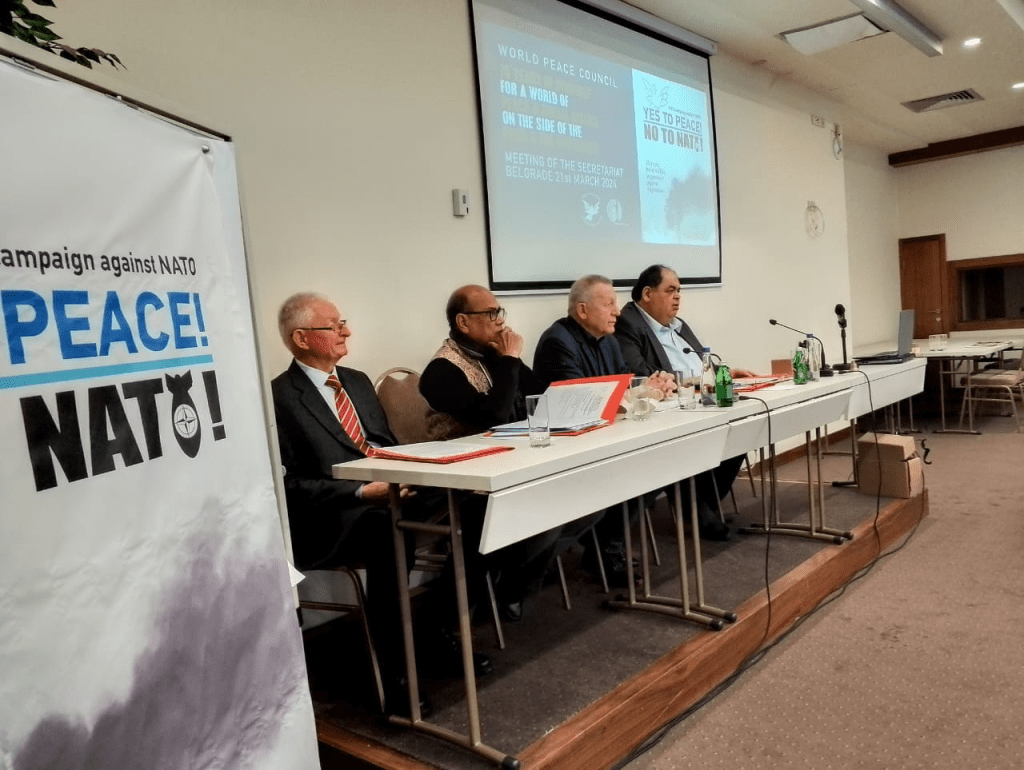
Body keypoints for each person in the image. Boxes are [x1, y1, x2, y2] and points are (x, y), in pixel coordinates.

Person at [270, 291, 490, 717]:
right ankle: (394, 675)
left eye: (343, 323)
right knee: (388, 531)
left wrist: (412, 473)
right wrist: (360, 491)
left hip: (390, 493)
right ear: (301, 338)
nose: (346, 331)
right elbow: (289, 485)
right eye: (334, 326)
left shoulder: (355, 381)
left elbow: (383, 446)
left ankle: (434, 628)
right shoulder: (280, 397)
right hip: (336, 516)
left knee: (475, 505)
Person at [419, 284, 559, 621]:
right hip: (463, 480)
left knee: (574, 500)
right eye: (491, 313)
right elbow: (492, 417)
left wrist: (510, 361)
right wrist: (509, 360)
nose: (500, 320)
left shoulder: (495, 357)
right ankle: (468, 603)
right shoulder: (440, 371)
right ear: (463, 322)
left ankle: (509, 588)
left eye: (500, 312)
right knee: (538, 510)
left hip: (509, 463)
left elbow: (542, 397)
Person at [532, 275, 675, 581]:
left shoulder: (608, 341)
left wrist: (648, 387)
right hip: (566, 445)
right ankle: (604, 548)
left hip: (603, 436)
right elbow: (583, 401)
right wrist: (641, 394)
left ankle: (606, 544)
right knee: (631, 471)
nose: (617, 312)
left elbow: (623, 386)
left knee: (658, 466)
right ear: (582, 310)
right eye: (609, 304)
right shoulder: (557, 342)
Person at [614, 264, 756, 540]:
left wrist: (722, 374)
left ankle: (703, 505)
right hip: (666, 407)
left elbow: (701, 361)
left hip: (696, 398)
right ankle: (695, 510)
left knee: (741, 427)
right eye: (670, 290)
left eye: (679, 290)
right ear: (647, 294)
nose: (677, 296)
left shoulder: (678, 325)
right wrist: (693, 384)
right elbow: (641, 375)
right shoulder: (628, 323)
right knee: (694, 438)